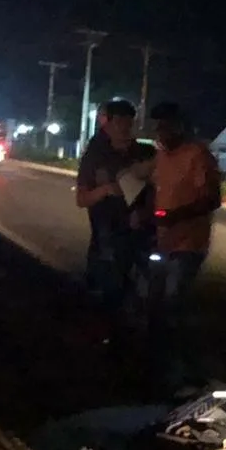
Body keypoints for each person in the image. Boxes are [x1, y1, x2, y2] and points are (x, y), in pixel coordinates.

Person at [148, 101, 222, 394]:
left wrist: (177, 215)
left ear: (180, 125)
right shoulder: (160, 157)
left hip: (187, 244)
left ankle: (186, 371)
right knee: (156, 306)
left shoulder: (198, 155)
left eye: (166, 125)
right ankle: (159, 366)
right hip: (161, 243)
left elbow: (211, 198)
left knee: (173, 303)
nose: (161, 131)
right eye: (158, 126)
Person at [76, 99, 156, 321]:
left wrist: (144, 212)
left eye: (128, 122)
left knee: (144, 297)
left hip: (141, 236)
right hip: (106, 239)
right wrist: (106, 190)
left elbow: (160, 191)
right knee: (104, 297)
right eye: (118, 121)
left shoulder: (146, 153)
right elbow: (82, 199)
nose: (123, 127)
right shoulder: (95, 156)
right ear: (107, 123)